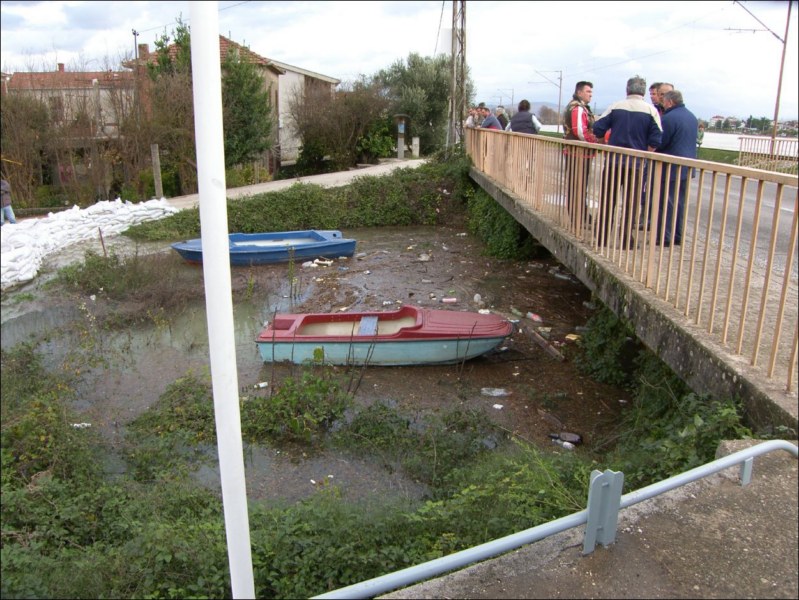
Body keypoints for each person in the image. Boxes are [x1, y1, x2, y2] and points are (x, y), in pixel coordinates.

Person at [593, 75, 662, 249]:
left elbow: (598, 127)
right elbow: (656, 138)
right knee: (631, 203)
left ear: (627, 89)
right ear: (643, 92)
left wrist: (603, 143)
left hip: (614, 161)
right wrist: (646, 153)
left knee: (608, 200)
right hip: (636, 163)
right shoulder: (650, 111)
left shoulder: (616, 106)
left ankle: (601, 237)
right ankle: (625, 239)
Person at [654, 90, 698, 247]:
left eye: (664, 102)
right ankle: (678, 235)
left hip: (670, 167)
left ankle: (665, 236)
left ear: (670, 102)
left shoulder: (668, 118)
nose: (663, 104)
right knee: (680, 202)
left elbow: (661, 142)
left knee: (666, 202)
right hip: (687, 167)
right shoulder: (692, 117)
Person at [563, 81, 599, 229]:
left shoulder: (577, 107)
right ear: (579, 92)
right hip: (578, 153)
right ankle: (577, 217)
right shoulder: (577, 108)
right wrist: (594, 142)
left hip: (577, 152)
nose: (591, 94)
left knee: (578, 184)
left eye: (591, 92)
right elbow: (579, 131)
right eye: (588, 91)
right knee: (577, 185)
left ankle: (581, 214)